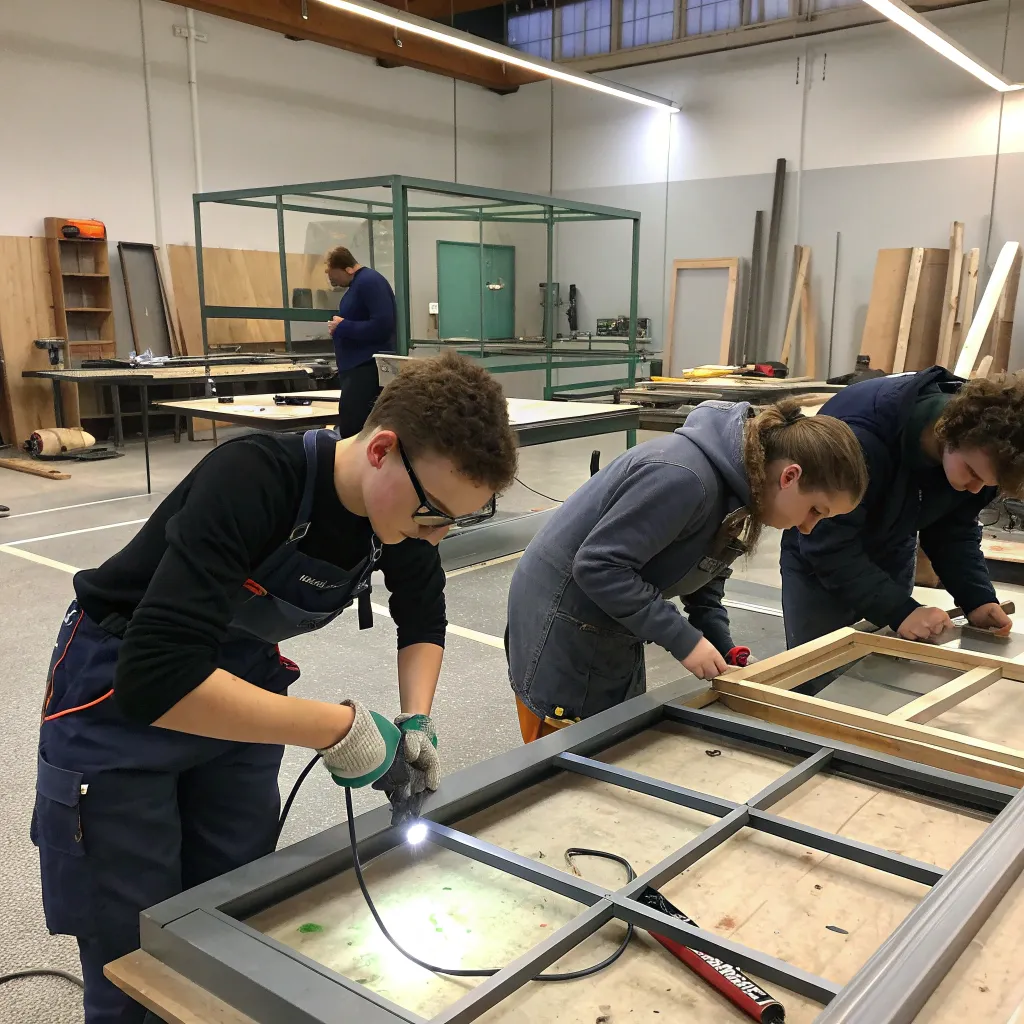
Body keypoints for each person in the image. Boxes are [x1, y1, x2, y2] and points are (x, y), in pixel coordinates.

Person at [31, 352, 518, 1024]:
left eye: (453, 522)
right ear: (382, 450)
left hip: (236, 688)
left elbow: (423, 615)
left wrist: (416, 719)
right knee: (133, 941)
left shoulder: (400, 513)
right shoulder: (255, 476)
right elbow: (157, 680)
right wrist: (336, 728)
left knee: (232, 909)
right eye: (433, 514)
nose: (433, 535)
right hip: (119, 690)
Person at [505, 399, 868, 743]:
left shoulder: (739, 488)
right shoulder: (683, 478)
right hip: (562, 628)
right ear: (790, 476)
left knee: (613, 742)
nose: (808, 528)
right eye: (815, 511)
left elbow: (704, 574)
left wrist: (723, 647)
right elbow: (600, 566)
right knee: (567, 771)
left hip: (611, 624)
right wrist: (685, 641)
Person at [780, 367, 1024, 649]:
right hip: (819, 551)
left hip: (894, 538)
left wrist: (977, 598)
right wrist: (899, 610)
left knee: (885, 670)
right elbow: (827, 544)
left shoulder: (991, 449)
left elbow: (953, 532)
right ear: (950, 433)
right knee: (815, 669)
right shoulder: (862, 439)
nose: (975, 489)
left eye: (987, 483)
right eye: (972, 473)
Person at [326, 245, 398, 437]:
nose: (331, 280)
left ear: (347, 268)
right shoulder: (359, 284)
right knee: (351, 426)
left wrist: (343, 327)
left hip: (366, 369)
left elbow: (383, 325)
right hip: (356, 369)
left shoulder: (369, 281)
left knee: (355, 430)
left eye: (333, 274)